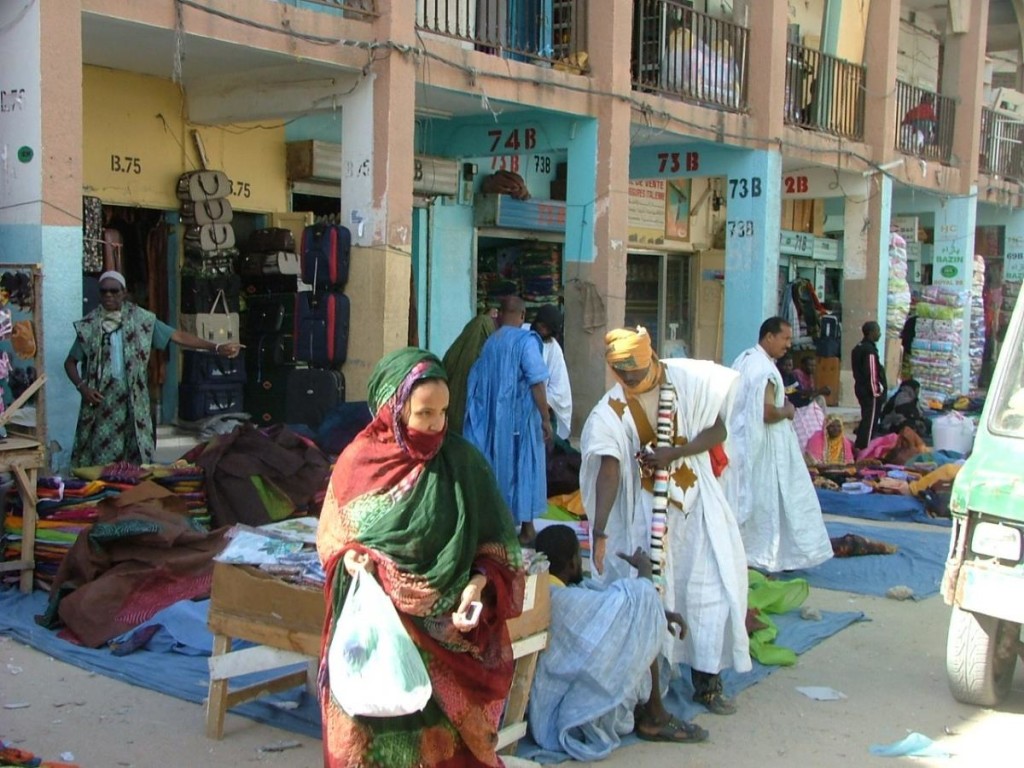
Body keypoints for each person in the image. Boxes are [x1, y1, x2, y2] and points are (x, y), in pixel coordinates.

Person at [316, 347, 525, 768]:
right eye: (423, 413)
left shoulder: (463, 463)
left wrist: (477, 584)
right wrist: (354, 561)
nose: (436, 425)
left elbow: (498, 548)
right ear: (393, 408)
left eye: (443, 412)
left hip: (446, 647)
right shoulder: (357, 464)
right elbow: (334, 542)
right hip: (377, 644)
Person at [580, 327, 750, 715]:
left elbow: (718, 428)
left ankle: (708, 682)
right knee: (657, 595)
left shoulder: (685, 379)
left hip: (698, 508)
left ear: (652, 358)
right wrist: (600, 529)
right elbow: (608, 467)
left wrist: (678, 452)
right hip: (644, 515)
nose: (634, 382)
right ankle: (653, 685)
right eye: (626, 377)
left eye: (639, 374)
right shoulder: (611, 408)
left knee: (710, 592)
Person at [528, 525, 707, 761]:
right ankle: (655, 715)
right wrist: (645, 570)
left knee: (638, 620)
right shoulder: (564, 598)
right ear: (573, 562)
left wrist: (660, 613)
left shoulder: (547, 590)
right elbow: (635, 606)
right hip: (573, 707)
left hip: (556, 696)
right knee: (638, 621)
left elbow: (610, 609)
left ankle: (648, 710)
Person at [64, 270, 240, 467]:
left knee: (136, 455)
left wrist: (215, 347)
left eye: (114, 291)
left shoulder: (142, 320)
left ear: (124, 292)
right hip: (102, 403)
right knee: (102, 458)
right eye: (104, 292)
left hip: (134, 401)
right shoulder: (89, 326)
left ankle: (132, 494)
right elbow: (70, 363)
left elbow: (178, 337)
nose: (108, 296)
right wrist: (82, 387)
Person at [727, 317, 833, 573]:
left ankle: (748, 552)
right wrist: (787, 411)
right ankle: (768, 555)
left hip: (743, 441)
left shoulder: (744, 359)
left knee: (747, 498)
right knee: (772, 501)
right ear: (769, 337)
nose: (788, 344)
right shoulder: (764, 369)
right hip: (766, 447)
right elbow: (766, 412)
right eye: (785, 338)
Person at [465, 296, 552, 545]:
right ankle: (526, 529)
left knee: (500, 471)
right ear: (523, 317)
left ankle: (502, 528)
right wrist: (545, 418)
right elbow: (537, 380)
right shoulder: (526, 342)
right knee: (525, 470)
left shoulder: (490, 343)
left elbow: (477, 387)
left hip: (495, 424)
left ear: (500, 314)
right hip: (520, 423)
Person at [441, 308, 498, 434]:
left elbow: (445, 368)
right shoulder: (489, 358)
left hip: (449, 419)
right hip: (474, 425)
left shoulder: (458, 349)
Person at [527, 304, 573, 440]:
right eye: (542, 325)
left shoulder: (553, 349)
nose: (543, 330)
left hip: (538, 413)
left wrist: (538, 408)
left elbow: (559, 390)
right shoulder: (521, 333)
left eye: (547, 329)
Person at [852, 320, 887, 451]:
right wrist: (876, 393)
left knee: (867, 418)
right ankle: (864, 448)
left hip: (862, 389)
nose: (880, 334)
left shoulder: (858, 348)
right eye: (878, 331)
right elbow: (872, 374)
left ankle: (860, 445)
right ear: (871, 333)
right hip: (870, 392)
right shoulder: (869, 351)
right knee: (870, 421)